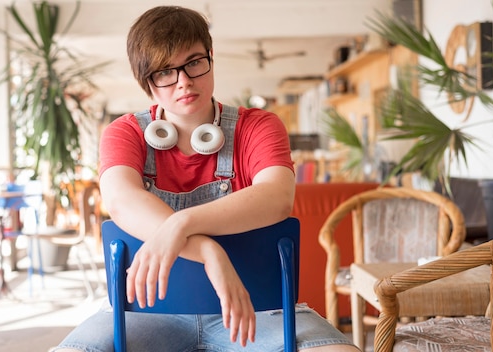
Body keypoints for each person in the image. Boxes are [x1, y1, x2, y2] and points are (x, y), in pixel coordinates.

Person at [52, 5, 360, 352]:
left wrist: (180, 224)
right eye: (165, 72)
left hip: (256, 310)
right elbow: (122, 203)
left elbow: (277, 198)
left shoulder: (258, 126)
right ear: (148, 83)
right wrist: (209, 252)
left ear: (211, 57)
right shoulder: (124, 133)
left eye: (194, 62)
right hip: (145, 314)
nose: (184, 81)